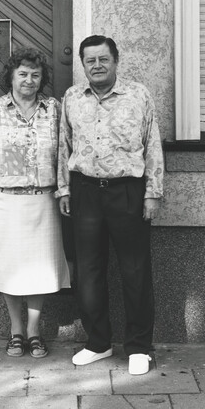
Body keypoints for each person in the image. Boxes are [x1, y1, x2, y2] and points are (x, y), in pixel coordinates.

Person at [57, 34, 164, 374]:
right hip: (84, 191)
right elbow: (64, 146)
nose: (97, 65)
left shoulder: (138, 95)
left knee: (134, 270)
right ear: (83, 64)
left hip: (128, 192)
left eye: (103, 59)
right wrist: (63, 190)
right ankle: (98, 342)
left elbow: (153, 144)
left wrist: (152, 192)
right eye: (90, 60)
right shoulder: (72, 97)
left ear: (116, 61)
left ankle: (138, 347)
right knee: (87, 271)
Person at [0, 47, 71, 359]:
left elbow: (66, 150)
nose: (29, 80)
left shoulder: (54, 109)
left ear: (42, 79)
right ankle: (16, 331)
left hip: (42, 200)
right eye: (22, 74)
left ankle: (35, 331)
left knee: (40, 268)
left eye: (35, 75)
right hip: (4, 201)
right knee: (9, 267)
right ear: (10, 76)